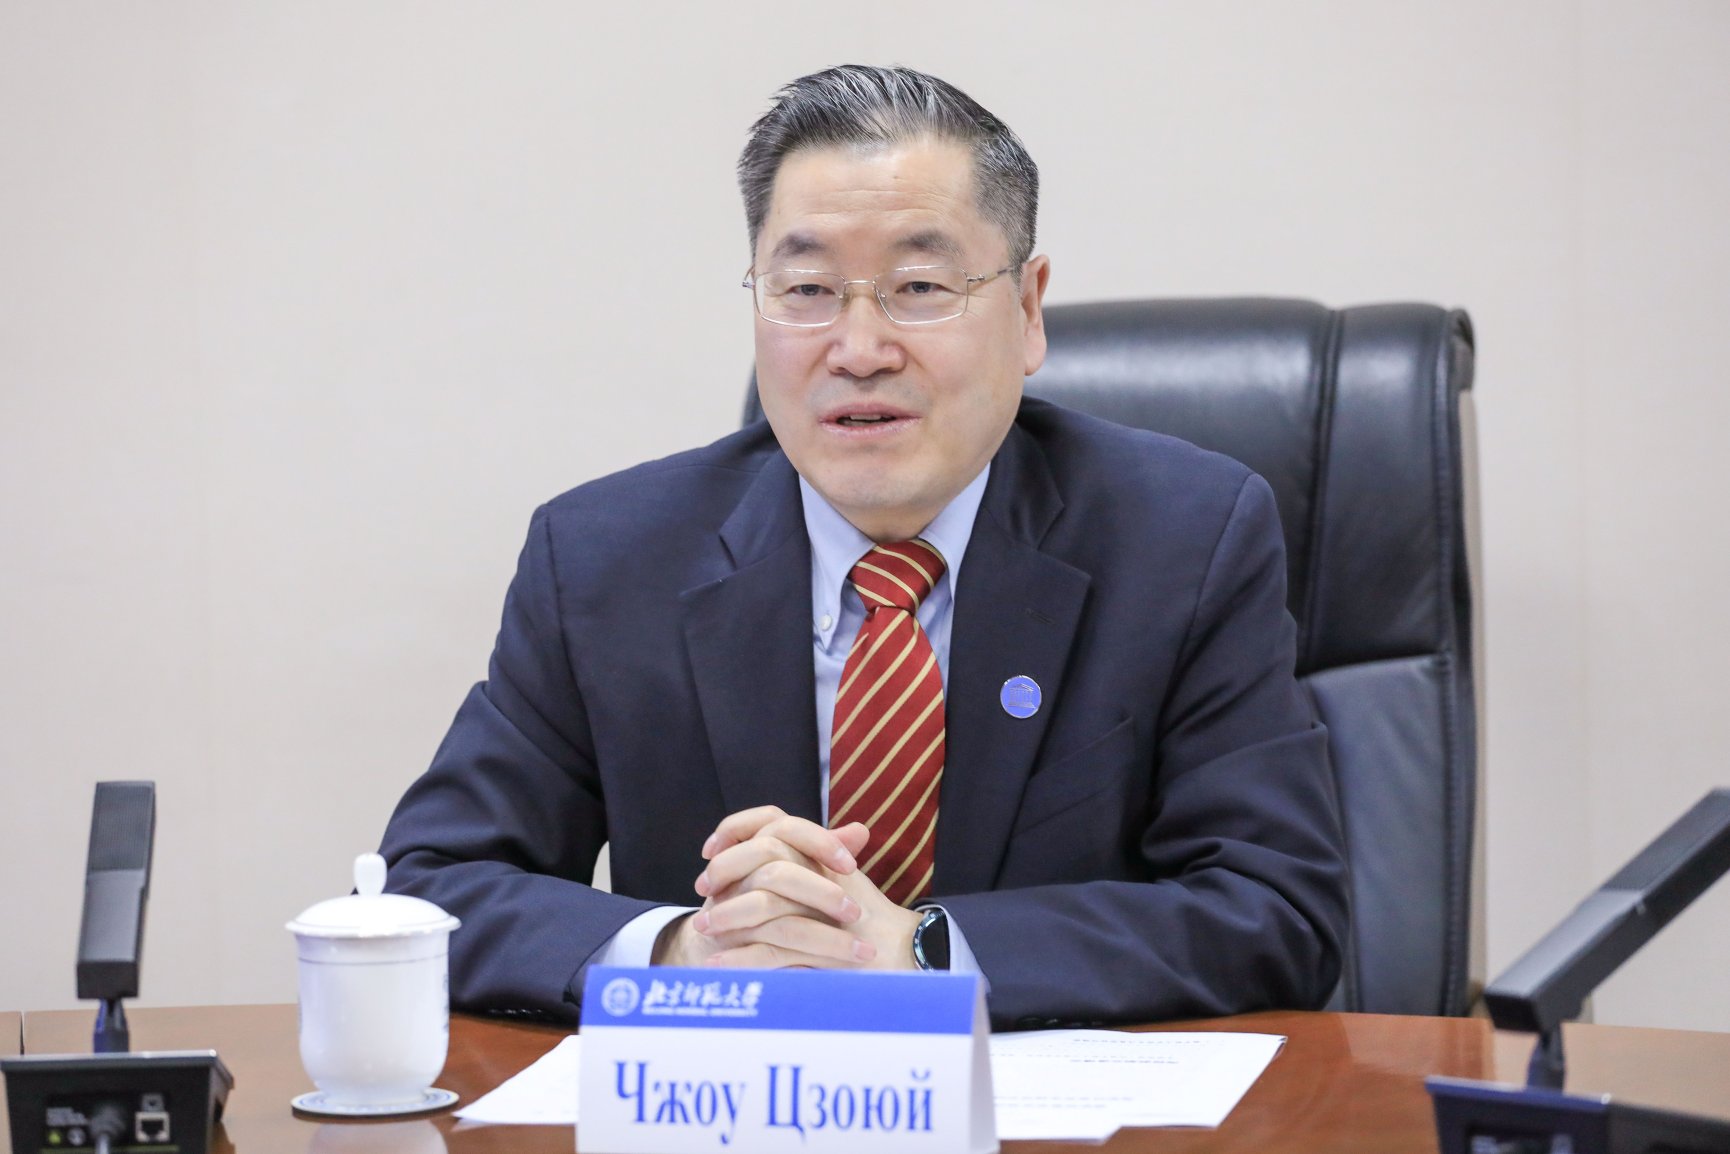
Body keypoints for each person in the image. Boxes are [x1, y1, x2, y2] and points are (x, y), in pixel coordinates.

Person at [379, 64, 1348, 1030]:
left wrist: (919, 950)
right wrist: (683, 952)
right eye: (805, 289)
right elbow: (425, 888)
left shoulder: (1184, 540)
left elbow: (1276, 910)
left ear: (1027, 309)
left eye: (918, 287)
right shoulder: (605, 559)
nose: (858, 349)